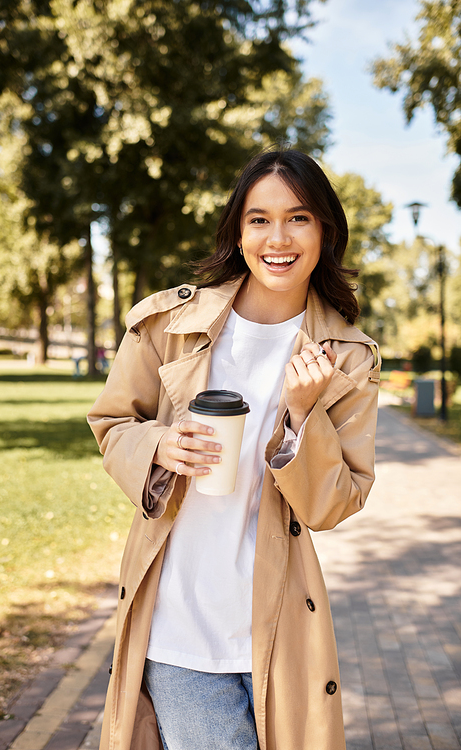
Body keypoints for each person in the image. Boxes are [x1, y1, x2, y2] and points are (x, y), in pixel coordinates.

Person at [87, 147, 381, 750]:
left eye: (299, 218)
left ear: (325, 231)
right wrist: (160, 445)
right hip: (179, 622)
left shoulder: (348, 358)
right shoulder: (168, 325)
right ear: (238, 231)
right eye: (259, 219)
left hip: (279, 631)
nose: (279, 237)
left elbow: (334, 505)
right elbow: (114, 421)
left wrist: (304, 415)